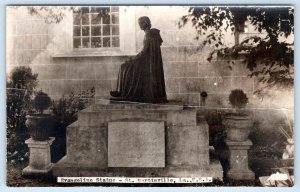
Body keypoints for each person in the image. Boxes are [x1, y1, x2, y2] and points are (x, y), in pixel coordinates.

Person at [110, 16, 167, 103]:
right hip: (148, 62)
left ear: (145, 23)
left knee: (124, 66)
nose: (139, 25)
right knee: (126, 66)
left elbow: (144, 52)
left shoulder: (148, 35)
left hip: (146, 64)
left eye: (140, 23)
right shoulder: (153, 34)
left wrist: (132, 58)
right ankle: (121, 91)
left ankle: (123, 92)